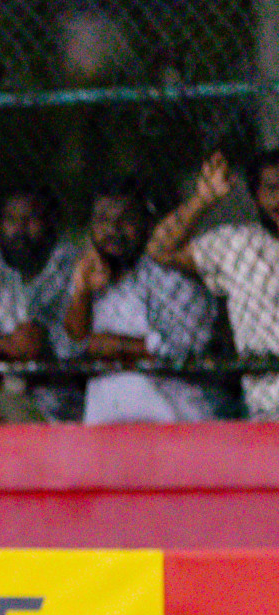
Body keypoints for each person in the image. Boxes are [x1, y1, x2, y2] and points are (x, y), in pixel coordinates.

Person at [66, 179, 216, 424]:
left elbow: (185, 349)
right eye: (103, 219)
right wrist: (82, 291)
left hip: (172, 422)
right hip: (107, 427)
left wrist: (116, 348)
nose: (113, 229)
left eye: (126, 219)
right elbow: (73, 343)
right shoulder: (91, 273)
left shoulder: (170, 273)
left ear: (147, 223)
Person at [146, 150, 279, 419]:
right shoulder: (239, 244)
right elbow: (160, 248)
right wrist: (203, 199)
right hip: (268, 405)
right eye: (272, 189)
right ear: (256, 196)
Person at [0, 186, 83, 422]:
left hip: (73, 390)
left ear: (50, 223)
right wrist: (3, 345)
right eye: (11, 220)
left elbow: (67, 341)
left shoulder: (71, 263)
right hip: (17, 391)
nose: (19, 230)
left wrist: (39, 347)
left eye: (31, 219)